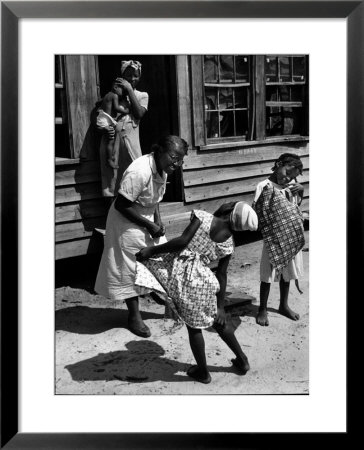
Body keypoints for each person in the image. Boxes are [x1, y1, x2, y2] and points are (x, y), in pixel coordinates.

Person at [135, 201, 258, 384]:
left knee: (193, 327)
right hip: (205, 281)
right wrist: (221, 307)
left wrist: (152, 250)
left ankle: (203, 371)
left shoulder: (203, 217)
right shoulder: (229, 244)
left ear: (230, 210)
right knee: (218, 321)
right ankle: (242, 359)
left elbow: (182, 242)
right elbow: (222, 275)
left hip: (183, 277)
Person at [95, 135, 188, 339]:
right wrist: (149, 224)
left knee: (160, 257)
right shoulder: (140, 171)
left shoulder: (163, 168)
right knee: (129, 267)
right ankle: (134, 316)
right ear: (160, 152)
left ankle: (160, 294)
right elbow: (121, 204)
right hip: (125, 221)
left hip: (145, 217)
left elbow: (154, 199)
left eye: (181, 159)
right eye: (174, 157)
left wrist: (158, 220)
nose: (178, 163)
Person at [252, 153, 305, 327]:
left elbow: (295, 207)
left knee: (287, 273)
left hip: (289, 237)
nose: (289, 178)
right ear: (278, 164)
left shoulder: (292, 187)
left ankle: (283, 305)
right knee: (267, 274)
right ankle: (262, 309)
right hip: (273, 240)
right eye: (288, 172)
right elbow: (258, 210)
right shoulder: (264, 186)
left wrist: (301, 192)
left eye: (293, 177)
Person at [99, 60, 149, 197]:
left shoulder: (142, 95)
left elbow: (138, 113)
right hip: (112, 141)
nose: (132, 79)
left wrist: (129, 90)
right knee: (111, 179)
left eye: (136, 76)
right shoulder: (113, 94)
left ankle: (132, 211)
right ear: (121, 77)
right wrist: (104, 128)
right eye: (128, 76)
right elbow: (99, 115)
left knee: (136, 173)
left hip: (130, 142)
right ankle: (112, 213)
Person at [96, 79, 130, 171]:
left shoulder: (107, 95)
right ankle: (110, 159)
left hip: (102, 117)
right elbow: (116, 108)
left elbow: (98, 103)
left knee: (109, 139)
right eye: (122, 90)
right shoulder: (114, 95)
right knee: (110, 141)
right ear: (115, 87)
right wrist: (126, 111)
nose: (122, 93)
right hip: (107, 120)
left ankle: (110, 156)